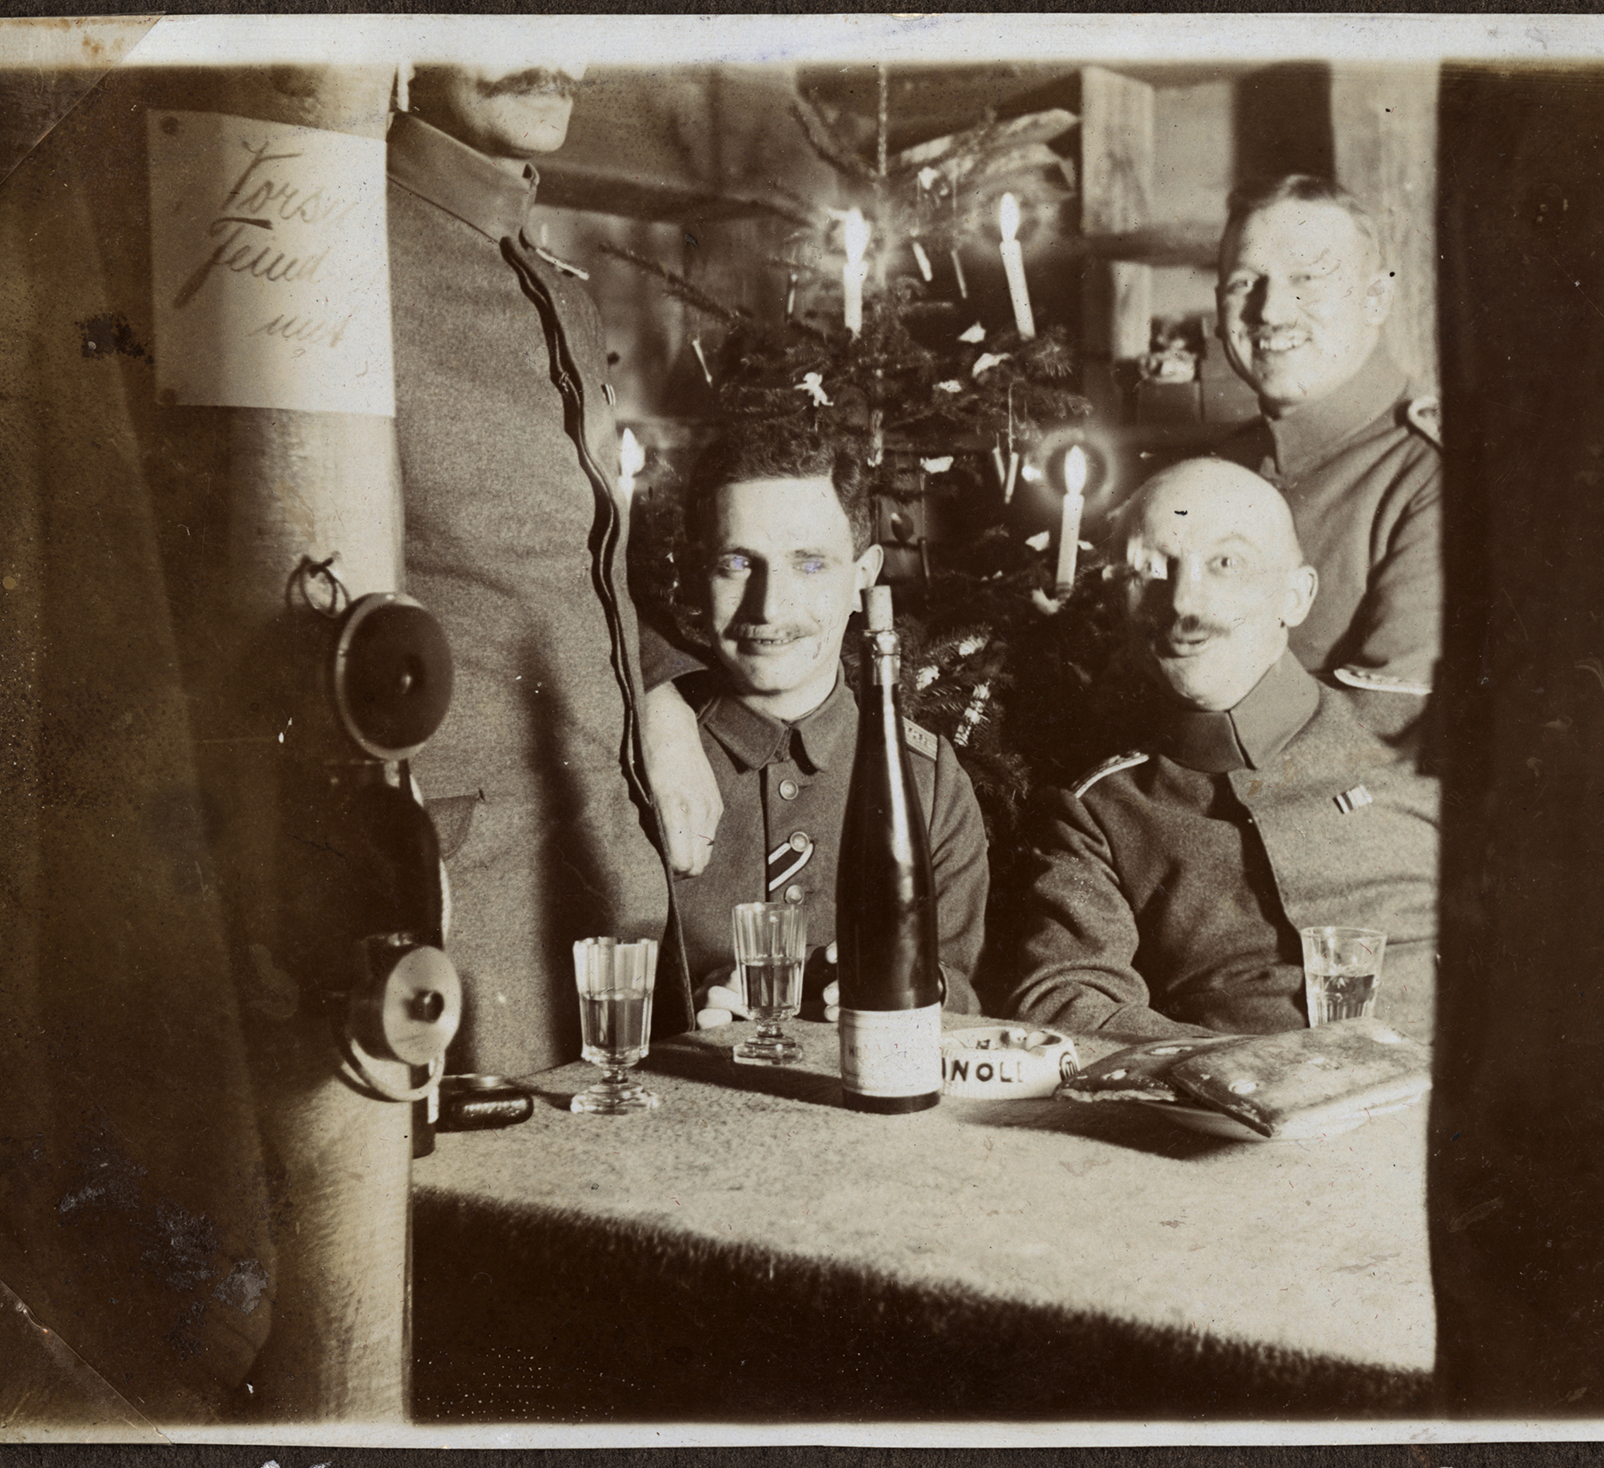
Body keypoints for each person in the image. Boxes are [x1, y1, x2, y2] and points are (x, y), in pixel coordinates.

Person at [388, 60, 723, 1073]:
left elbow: (564, 564)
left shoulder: (551, 284)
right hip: (464, 893)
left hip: (608, 859)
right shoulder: (338, 252)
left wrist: (660, 692)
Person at [1005, 458, 1439, 1042]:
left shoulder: (1422, 735)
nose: (1185, 603)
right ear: (1116, 602)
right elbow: (1066, 996)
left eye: (1226, 564)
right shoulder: (1099, 812)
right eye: (1151, 569)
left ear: (1296, 596)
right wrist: (1242, 1073)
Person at [666, 427, 987, 1025]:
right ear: (694, 573)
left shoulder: (930, 779)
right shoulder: (655, 758)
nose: (769, 607)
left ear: (863, 577)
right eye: (737, 564)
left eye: (809, 564)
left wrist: (920, 984)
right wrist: (685, 1011)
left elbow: (963, 984)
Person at [1213, 174, 1442, 739]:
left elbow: (1390, 733)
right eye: (1245, 282)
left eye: (1308, 279)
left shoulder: (1434, 477)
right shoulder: (1218, 470)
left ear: (1376, 299)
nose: (1269, 312)